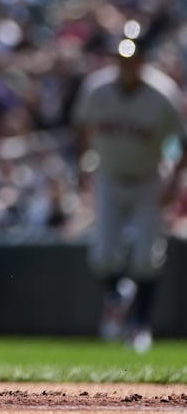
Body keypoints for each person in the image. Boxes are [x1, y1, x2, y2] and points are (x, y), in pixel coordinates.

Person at [71, 20, 187, 352]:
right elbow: (80, 128)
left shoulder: (163, 93)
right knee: (102, 258)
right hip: (108, 175)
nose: (127, 64)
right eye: (122, 58)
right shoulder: (96, 88)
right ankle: (118, 294)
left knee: (146, 260)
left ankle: (139, 326)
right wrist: (82, 167)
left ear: (143, 60)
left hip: (150, 179)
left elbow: (183, 141)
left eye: (133, 58)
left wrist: (174, 183)